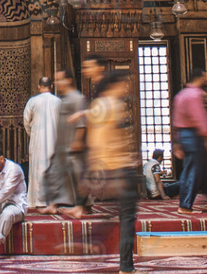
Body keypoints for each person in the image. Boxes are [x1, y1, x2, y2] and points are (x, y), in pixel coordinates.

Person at [77, 71, 137, 274]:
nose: (125, 88)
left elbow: (92, 142)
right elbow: (121, 140)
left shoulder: (95, 107)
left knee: (118, 216)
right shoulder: (117, 106)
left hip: (103, 169)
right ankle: (126, 267)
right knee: (127, 218)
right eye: (124, 84)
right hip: (120, 168)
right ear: (115, 85)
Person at [172, 68, 207, 215]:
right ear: (200, 78)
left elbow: (176, 120)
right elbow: (199, 118)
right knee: (192, 170)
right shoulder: (195, 95)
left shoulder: (181, 95)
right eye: (205, 77)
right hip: (193, 135)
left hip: (184, 134)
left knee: (199, 169)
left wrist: (177, 142)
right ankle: (185, 205)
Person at [40, 69, 87, 214]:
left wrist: (78, 140)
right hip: (62, 145)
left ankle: (81, 207)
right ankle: (53, 204)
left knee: (78, 178)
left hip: (72, 145)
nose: (56, 83)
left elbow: (82, 122)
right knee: (53, 175)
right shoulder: (64, 98)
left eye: (59, 79)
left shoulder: (77, 98)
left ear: (68, 80)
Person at [23, 77, 61, 208]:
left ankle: (38, 201)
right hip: (55, 141)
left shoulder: (33, 102)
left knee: (38, 170)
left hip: (37, 142)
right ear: (51, 86)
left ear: (39, 87)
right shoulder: (59, 102)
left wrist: (33, 134)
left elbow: (26, 122)